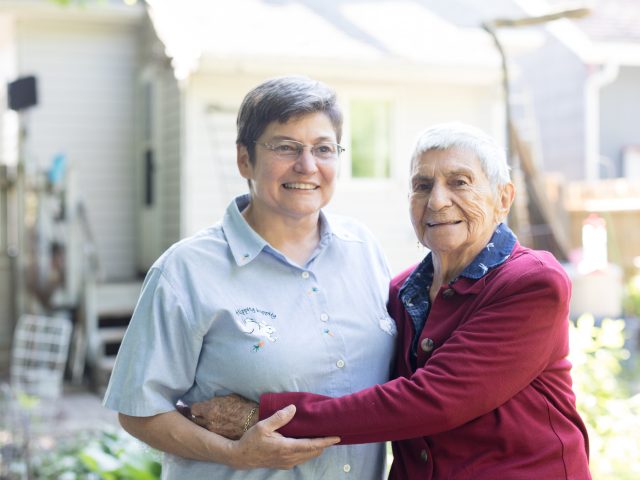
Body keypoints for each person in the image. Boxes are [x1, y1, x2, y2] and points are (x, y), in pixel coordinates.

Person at [189, 122, 592, 479]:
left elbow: (432, 401)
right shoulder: (401, 292)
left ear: (503, 198)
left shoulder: (531, 283)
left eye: (460, 182)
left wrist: (261, 416)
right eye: (422, 186)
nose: (437, 201)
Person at [102, 75, 397, 479]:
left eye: (323, 148)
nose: (307, 165)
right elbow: (138, 410)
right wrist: (234, 452)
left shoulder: (363, 249)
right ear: (244, 159)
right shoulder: (186, 271)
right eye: (285, 147)